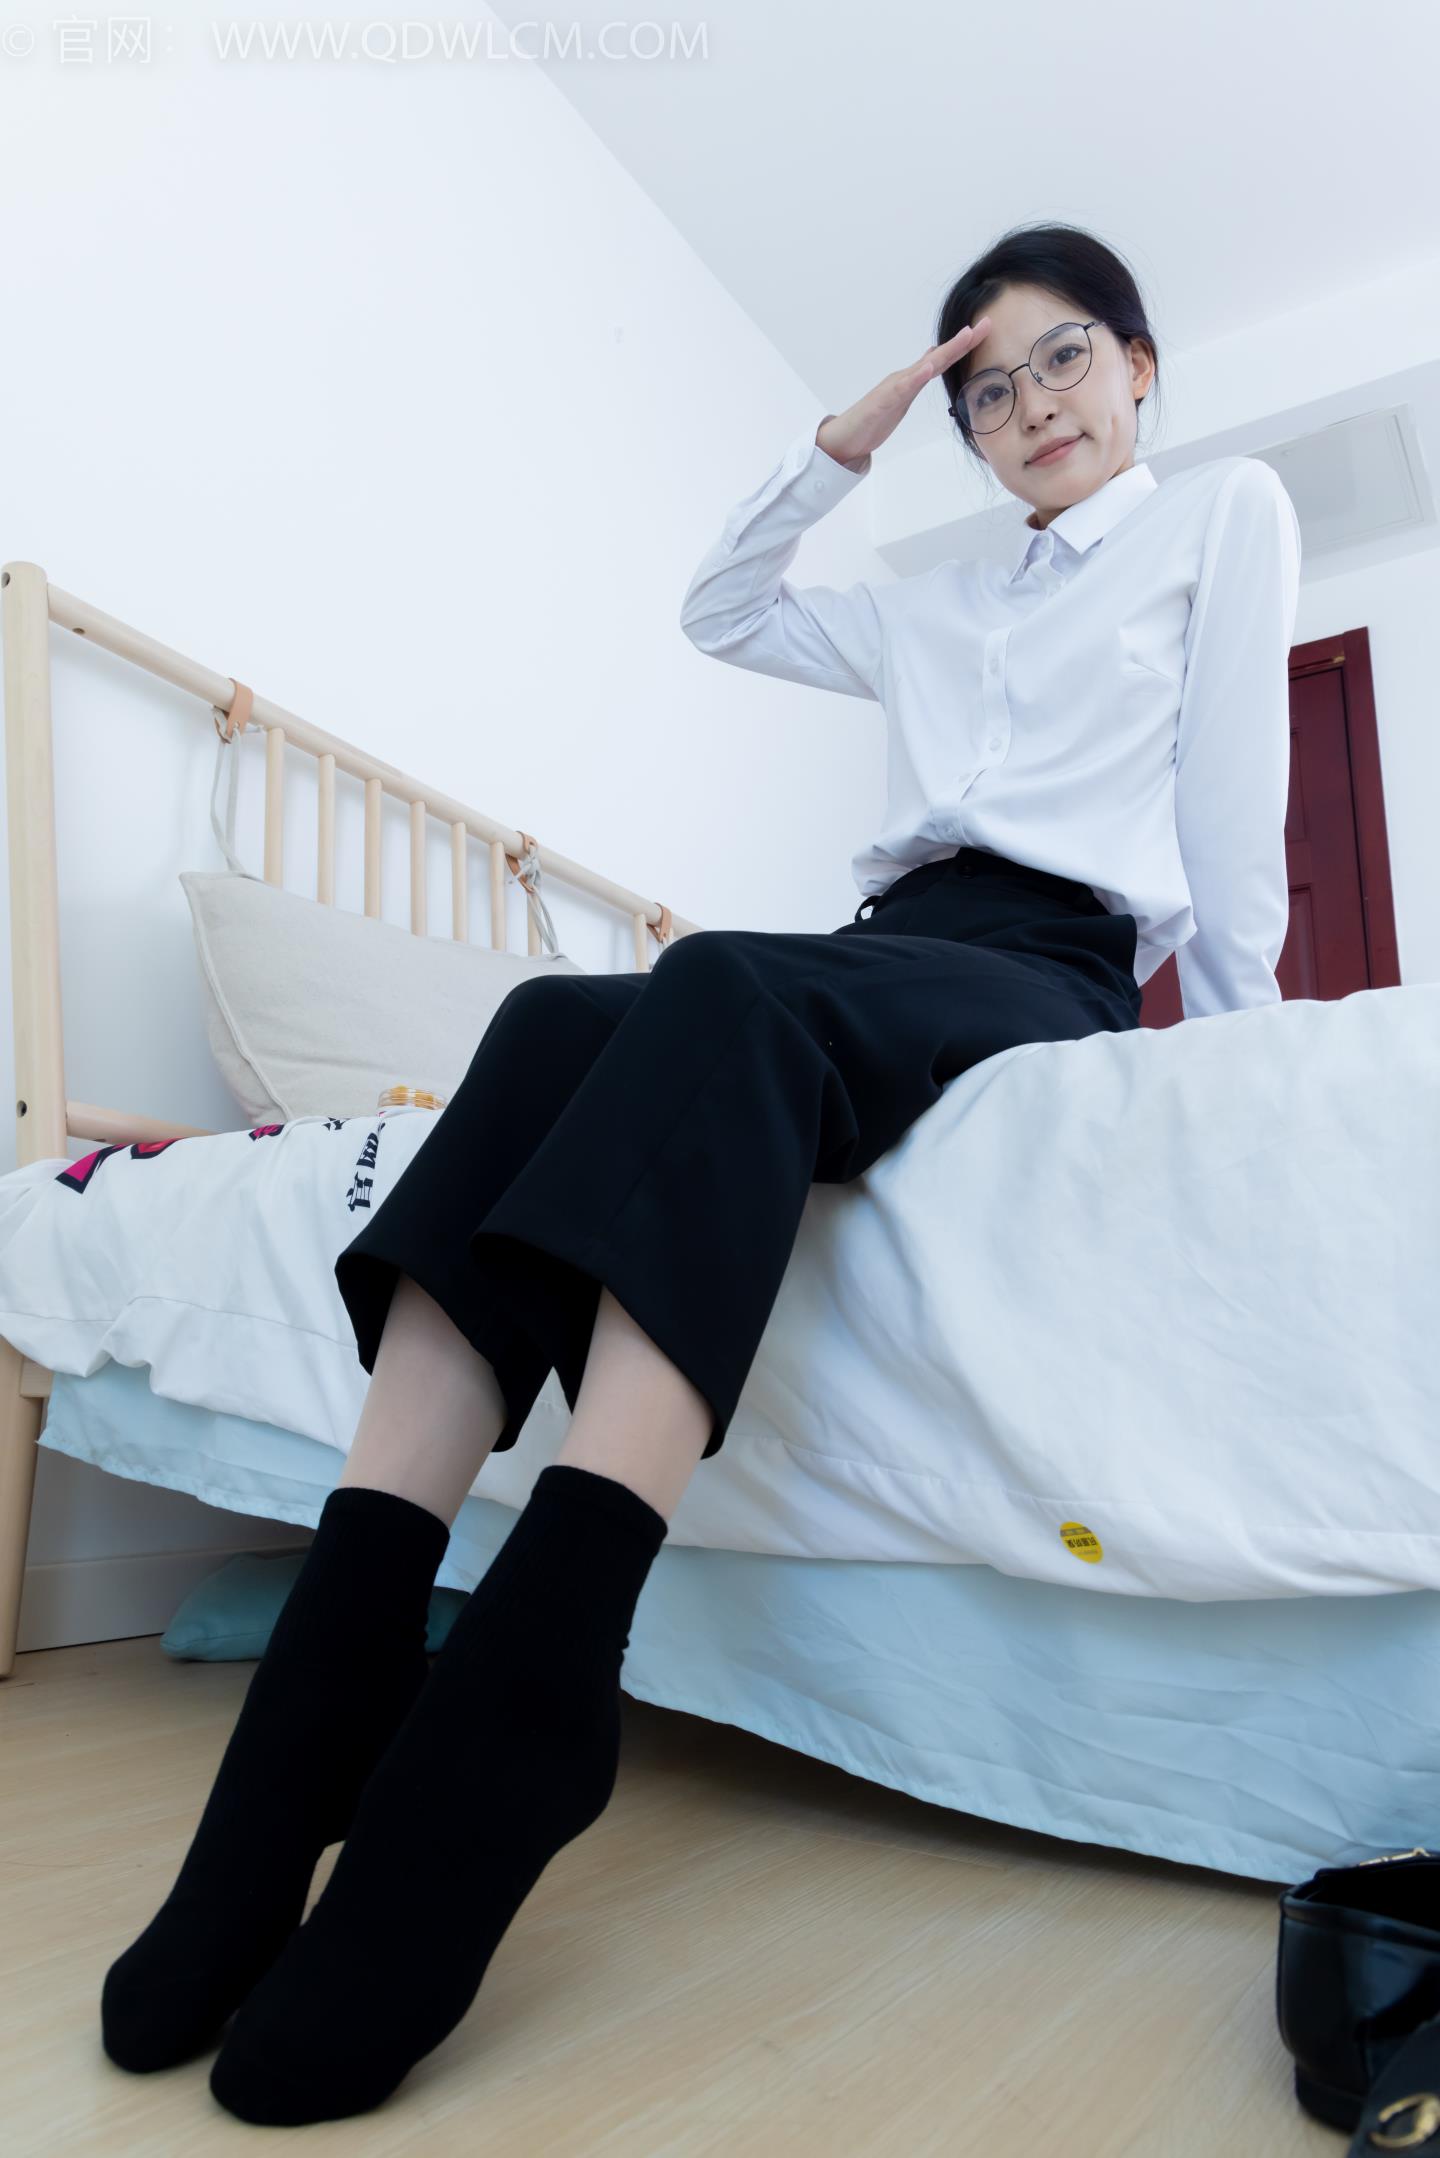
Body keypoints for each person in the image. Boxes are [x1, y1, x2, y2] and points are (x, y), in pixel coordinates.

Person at [100, 221, 1300, 2127]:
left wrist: (1239, 1070)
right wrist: (849, 442)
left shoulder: (1221, 515)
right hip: (890, 942)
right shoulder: (926, 599)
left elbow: (1232, 830)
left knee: (721, 984)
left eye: (1066, 357)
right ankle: (331, 1676)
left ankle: (544, 1667)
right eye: (991, 390)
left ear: (1141, 362)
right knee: (548, 1023)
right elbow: (722, 608)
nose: (1032, 406)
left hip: (1048, 963)